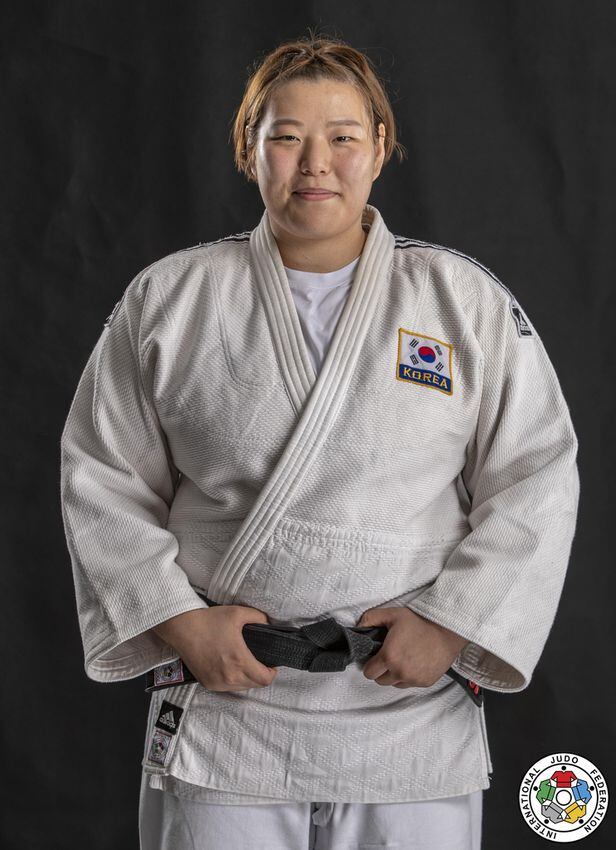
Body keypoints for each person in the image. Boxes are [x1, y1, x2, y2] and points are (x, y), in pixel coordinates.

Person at [59, 30, 580, 850]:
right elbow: (101, 476)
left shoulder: (462, 300)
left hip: (408, 708)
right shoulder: (170, 299)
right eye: (287, 137)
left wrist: (453, 624)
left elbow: (537, 475)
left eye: (342, 137)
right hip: (230, 706)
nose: (316, 164)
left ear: (380, 145)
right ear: (248, 147)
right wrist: (181, 624)